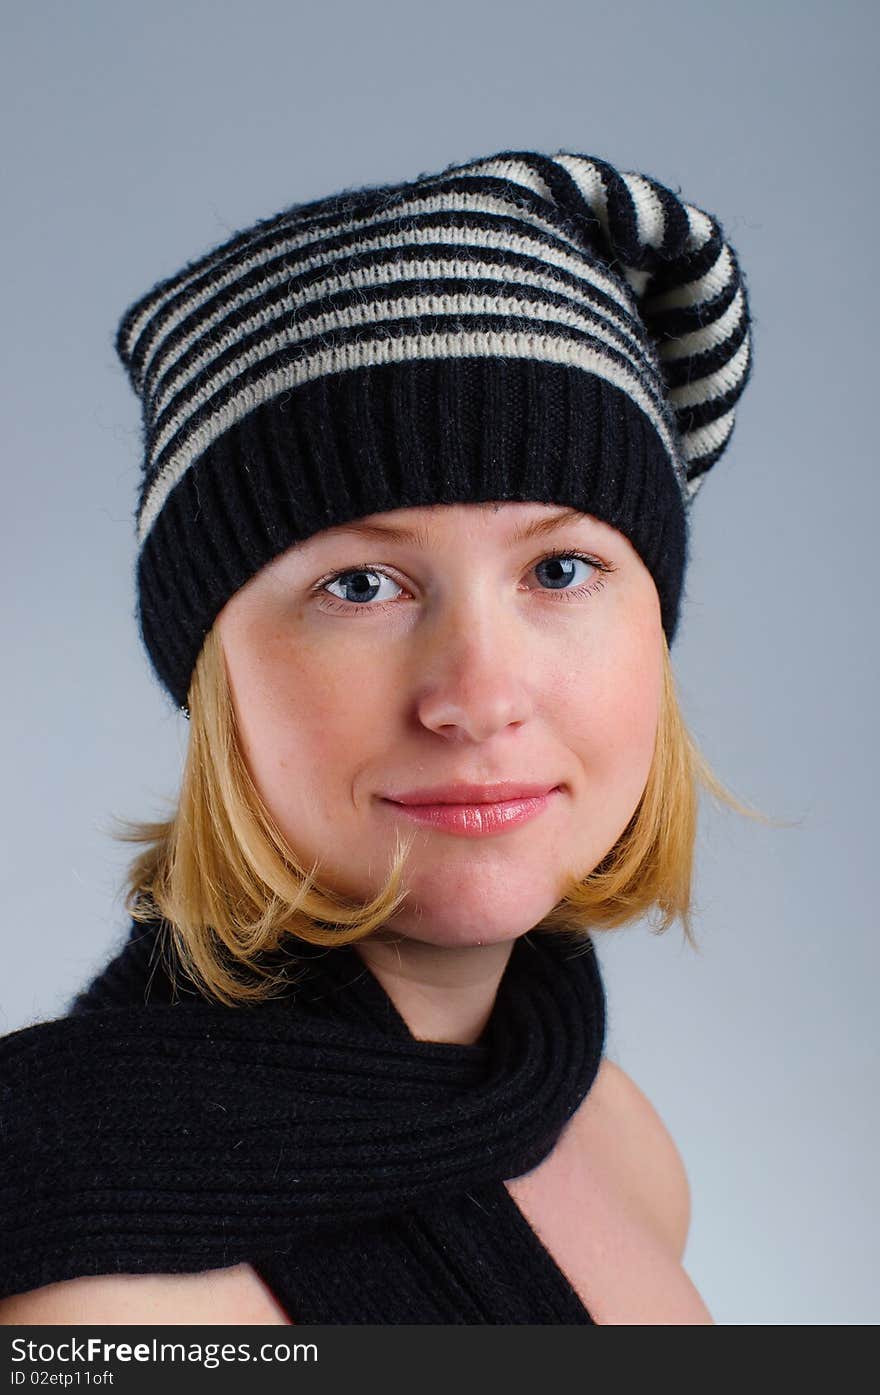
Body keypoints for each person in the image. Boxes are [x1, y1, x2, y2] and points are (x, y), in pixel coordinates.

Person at [0, 146, 759, 1325]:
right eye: (360, 585)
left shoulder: (598, 1124)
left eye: (561, 569)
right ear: (214, 678)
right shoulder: (101, 1294)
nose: (477, 695)